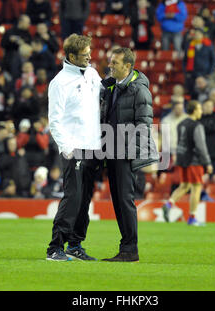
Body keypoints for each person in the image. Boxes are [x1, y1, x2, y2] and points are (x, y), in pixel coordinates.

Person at [46, 34, 102, 261]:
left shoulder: (92, 73)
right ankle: (55, 247)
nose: (89, 57)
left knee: (85, 198)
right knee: (73, 196)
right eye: (84, 54)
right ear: (71, 56)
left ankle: (75, 245)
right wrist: (66, 147)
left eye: (89, 52)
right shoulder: (59, 82)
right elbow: (55, 120)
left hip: (93, 146)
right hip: (74, 147)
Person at [100, 47, 158, 262]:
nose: (110, 66)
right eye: (110, 62)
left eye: (115, 63)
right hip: (112, 150)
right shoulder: (112, 86)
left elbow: (144, 124)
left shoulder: (139, 90)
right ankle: (126, 247)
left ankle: (130, 249)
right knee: (118, 200)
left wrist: (132, 154)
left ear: (127, 66)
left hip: (124, 152)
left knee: (125, 200)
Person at [162, 100, 212, 225]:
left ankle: (169, 204)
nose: (201, 111)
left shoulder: (181, 124)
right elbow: (201, 146)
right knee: (196, 187)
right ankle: (192, 217)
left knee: (184, 186)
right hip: (194, 161)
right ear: (194, 110)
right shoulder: (197, 126)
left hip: (182, 160)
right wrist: (207, 162)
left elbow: (181, 143)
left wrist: (179, 159)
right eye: (200, 109)